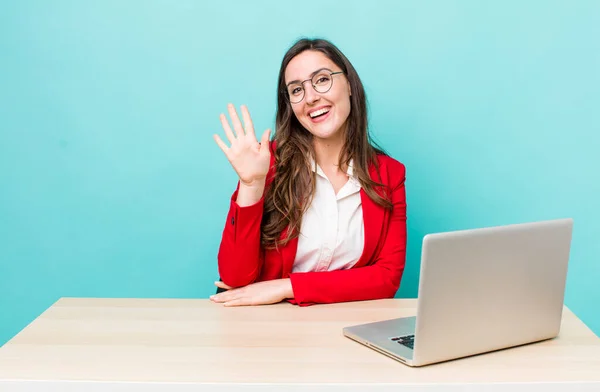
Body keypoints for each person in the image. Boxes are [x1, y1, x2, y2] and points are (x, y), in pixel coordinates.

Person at [210, 38, 407, 307]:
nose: (311, 97)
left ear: (349, 84)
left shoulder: (390, 175)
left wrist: (288, 286)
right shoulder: (266, 162)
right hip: (270, 329)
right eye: (296, 90)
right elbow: (234, 278)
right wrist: (251, 185)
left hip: (344, 326)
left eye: (322, 79)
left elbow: (386, 279)